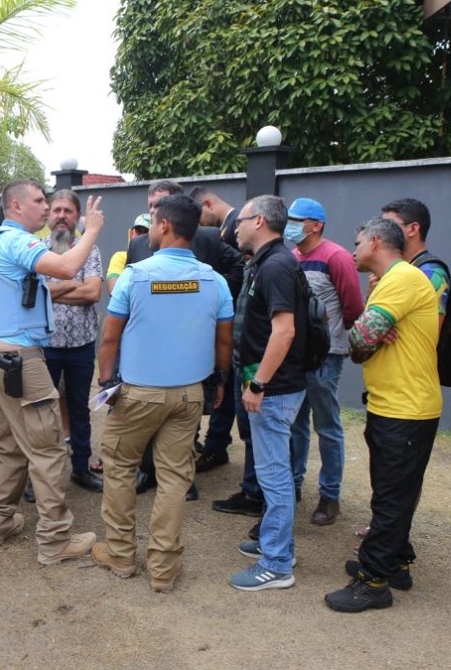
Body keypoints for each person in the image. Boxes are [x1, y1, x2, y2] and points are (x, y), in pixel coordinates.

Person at [91, 194, 233, 593]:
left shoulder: (134, 276)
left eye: (153, 223)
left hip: (138, 394)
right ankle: (164, 568)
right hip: (189, 396)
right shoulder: (215, 280)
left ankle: (120, 555)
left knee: (120, 467)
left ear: (165, 225)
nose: (150, 230)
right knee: (174, 477)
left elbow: (110, 337)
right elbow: (224, 341)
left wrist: (106, 383)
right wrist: (220, 380)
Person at [0, 179, 103, 565]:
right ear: (16, 206)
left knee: (10, 447)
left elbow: (33, 289)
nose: (46, 207)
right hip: (22, 360)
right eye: (38, 201)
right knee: (48, 449)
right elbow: (65, 267)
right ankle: (55, 540)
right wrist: (92, 230)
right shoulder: (18, 241)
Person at [324, 217, 441, 613]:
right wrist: (367, 335)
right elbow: (360, 347)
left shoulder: (402, 278)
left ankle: (374, 581)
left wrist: (366, 334)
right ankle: (395, 561)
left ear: (375, 241)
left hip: (406, 408)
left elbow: (358, 337)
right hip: (392, 404)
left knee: (391, 497)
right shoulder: (389, 282)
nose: (353, 251)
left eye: (357, 242)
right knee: (393, 491)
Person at [128, 180, 242, 500]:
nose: (155, 211)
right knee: (150, 409)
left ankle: (183, 475)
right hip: (151, 346)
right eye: (151, 205)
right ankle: (148, 469)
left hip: (193, 341)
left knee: (185, 409)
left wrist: (211, 299)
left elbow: (238, 266)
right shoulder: (138, 244)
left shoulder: (206, 237)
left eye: (161, 204)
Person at [226, 195, 308, 592]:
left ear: (258, 221)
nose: (234, 227)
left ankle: (276, 564)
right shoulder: (271, 261)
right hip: (275, 386)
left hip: (273, 389)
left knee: (274, 477)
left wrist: (258, 383)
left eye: (240, 220)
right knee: (275, 473)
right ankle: (280, 548)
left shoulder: (275, 265)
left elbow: (285, 331)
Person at [286, 198, 364, 526]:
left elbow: (353, 307)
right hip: (295, 355)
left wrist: (331, 338)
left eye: (297, 219)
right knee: (295, 422)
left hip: (326, 356)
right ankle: (292, 484)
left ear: (316, 225)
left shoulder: (336, 256)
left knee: (327, 425)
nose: (290, 224)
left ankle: (330, 496)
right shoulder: (292, 257)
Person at [43, 189, 104, 492]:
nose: (61, 216)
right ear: (48, 214)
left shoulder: (89, 248)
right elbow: (35, 293)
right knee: (41, 412)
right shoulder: (37, 250)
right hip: (45, 346)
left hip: (82, 346)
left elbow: (93, 292)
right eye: (57, 210)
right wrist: (73, 283)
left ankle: (80, 468)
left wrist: (53, 289)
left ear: (77, 216)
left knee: (79, 409)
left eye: (68, 211)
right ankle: (41, 478)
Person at [189, 186, 248, 475]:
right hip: (219, 322)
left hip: (231, 323)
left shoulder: (235, 227)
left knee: (224, 386)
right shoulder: (225, 227)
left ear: (208, 205)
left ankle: (216, 445)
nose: (197, 226)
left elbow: (240, 268)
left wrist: (215, 290)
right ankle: (215, 443)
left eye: (198, 218)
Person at [106, 213, 150, 296]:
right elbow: (114, 290)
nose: (142, 236)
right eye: (139, 231)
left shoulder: (159, 258)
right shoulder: (120, 257)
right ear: (131, 234)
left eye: (146, 233)